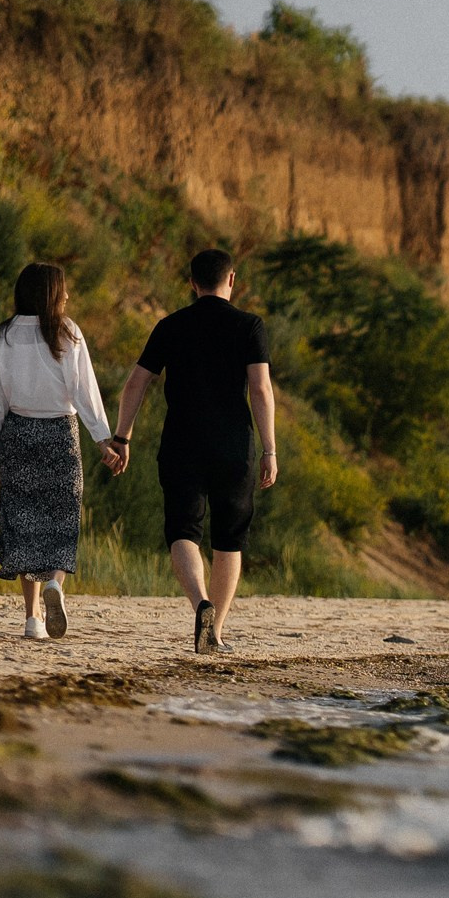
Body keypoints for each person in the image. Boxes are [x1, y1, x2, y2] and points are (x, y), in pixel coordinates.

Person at [110, 247, 278, 652]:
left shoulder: (171, 325)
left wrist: (122, 437)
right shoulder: (250, 326)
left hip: (181, 442)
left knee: (183, 530)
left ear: (192, 283)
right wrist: (270, 449)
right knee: (229, 538)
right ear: (232, 279)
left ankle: (200, 602)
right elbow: (260, 389)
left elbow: (136, 383)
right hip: (234, 446)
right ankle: (214, 632)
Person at [0, 262, 124, 642]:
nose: (68, 296)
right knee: (63, 521)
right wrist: (103, 439)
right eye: (64, 290)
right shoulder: (67, 332)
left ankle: (32, 619)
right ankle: (55, 584)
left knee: (23, 525)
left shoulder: (3, 335)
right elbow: (84, 391)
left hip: (17, 435)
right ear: (50, 294)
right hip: (61, 434)